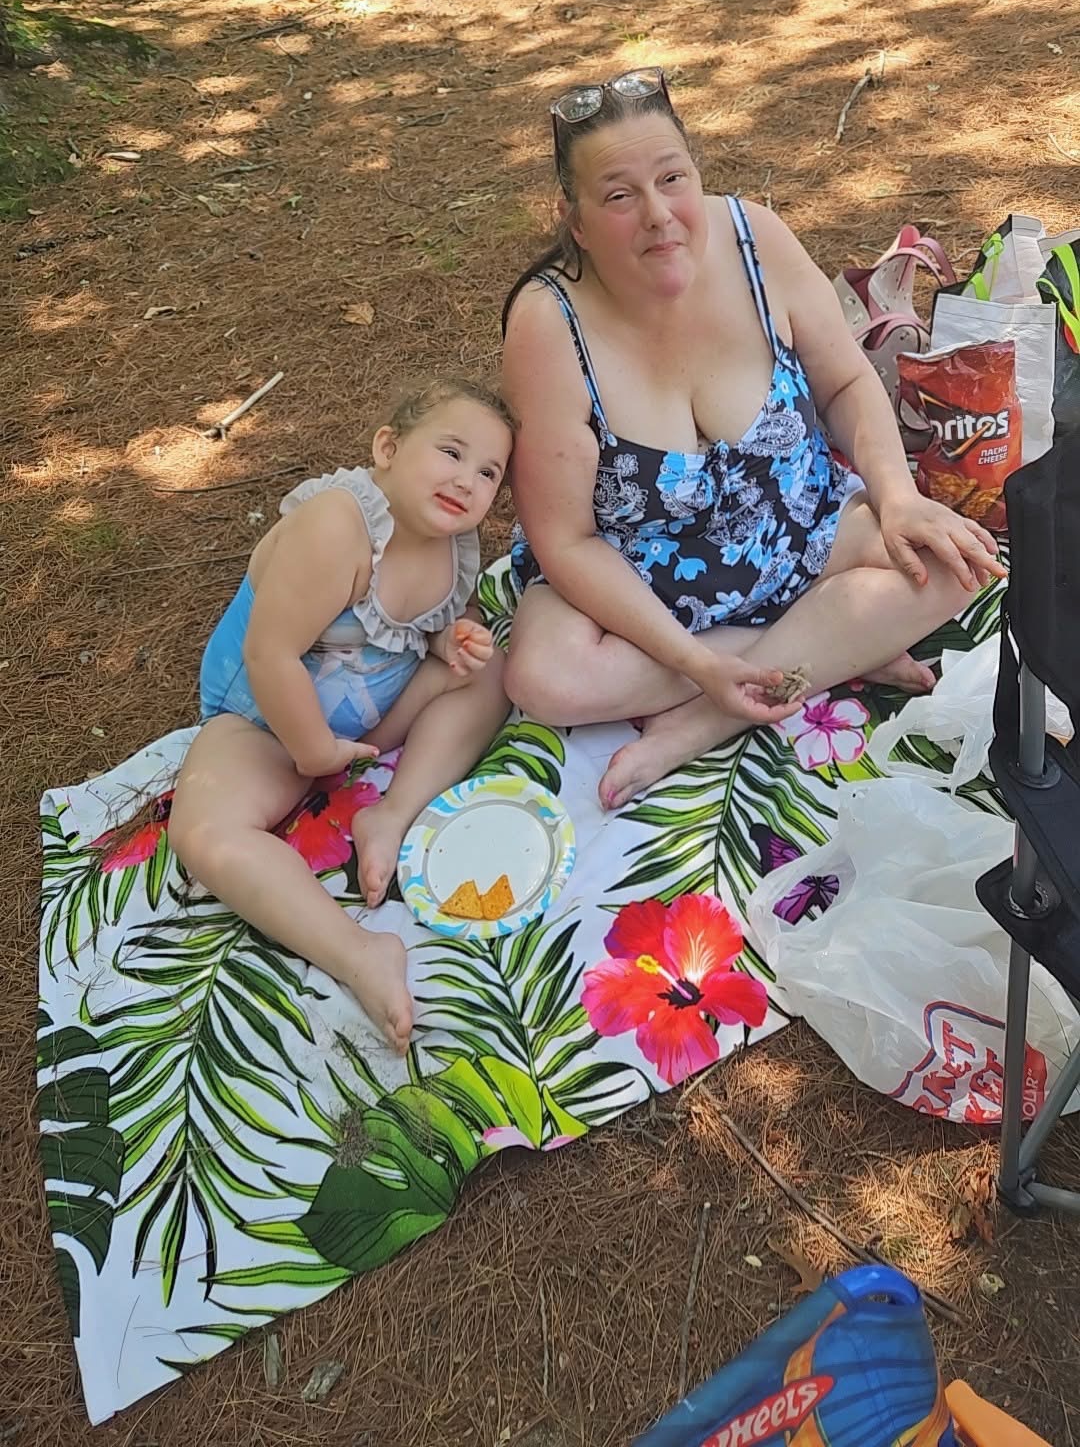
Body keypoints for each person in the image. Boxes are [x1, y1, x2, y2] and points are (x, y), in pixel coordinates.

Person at [500, 71, 1004, 814]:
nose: (659, 216)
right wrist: (696, 660)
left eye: (672, 178)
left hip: (799, 529)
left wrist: (897, 499)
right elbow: (566, 541)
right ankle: (830, 648)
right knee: (544, 679)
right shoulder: (548, 325)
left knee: (955, 562)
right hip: (644, 583)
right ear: (573, 220)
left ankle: (707, 720)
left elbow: (846, 382)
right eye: (619, 196)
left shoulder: (755, 240)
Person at [169, 380, 515, 1053]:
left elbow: (427, 628)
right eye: (451, 452)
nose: (466, 480)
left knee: (492, 669)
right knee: (204, 833)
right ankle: (358, 953)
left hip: (368, 722)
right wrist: (313, 753)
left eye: (488, 473)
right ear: (388, 448)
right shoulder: (338, 525)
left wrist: (452, 642)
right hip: (266, 725)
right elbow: (269, 653)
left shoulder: (453, 543)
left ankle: (391, 814)